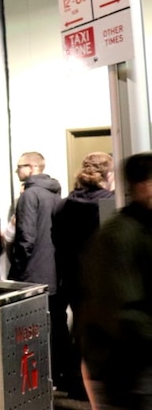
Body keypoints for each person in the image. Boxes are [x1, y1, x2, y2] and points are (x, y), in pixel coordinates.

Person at [80, 152, 152, 410]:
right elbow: (123, 310)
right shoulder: (119, 234)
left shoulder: (135, 227)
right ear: (143, 186)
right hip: (127, 364)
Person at [52, 152, 114, 399]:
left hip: (72, 278)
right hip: (101, 280)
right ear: (108, 175)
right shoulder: (109, 203)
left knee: (80, 330)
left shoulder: (64, 204)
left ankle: (77, 384)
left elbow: (57, 241)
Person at [9, 152, 62, 386]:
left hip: (33, 274)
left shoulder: (29, 195)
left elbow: (26, 238)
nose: (16, 171)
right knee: (56, 328)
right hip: (54, 272)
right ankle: (58, 375)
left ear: (31, 167)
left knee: (33, 331)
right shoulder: (55, 193)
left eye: (19, 167)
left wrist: (17, 269)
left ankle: (38, 379)